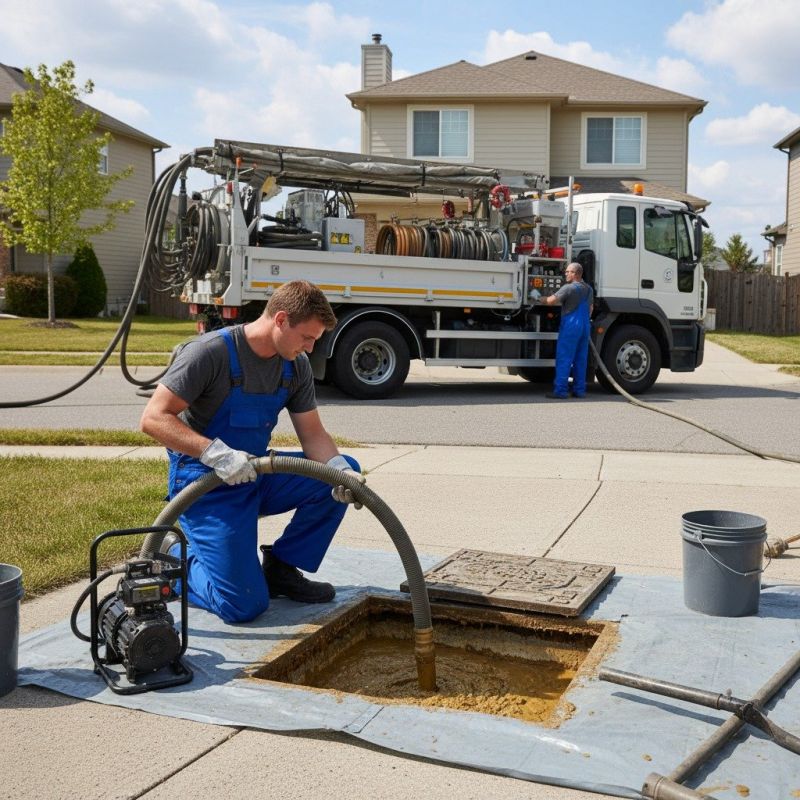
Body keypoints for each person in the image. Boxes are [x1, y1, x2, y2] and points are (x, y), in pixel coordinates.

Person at [140, 280, 364, 624]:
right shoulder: (210, 353)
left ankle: (281, 570)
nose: (310, 348)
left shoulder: (295, 365)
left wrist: (342, 473)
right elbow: (154, 418)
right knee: (242, 605)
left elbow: (313, 435)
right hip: (205, 485)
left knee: (337, 474)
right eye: (307, 337)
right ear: (281, 320)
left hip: (253, 474)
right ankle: (175, 558)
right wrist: (215, 454)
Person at [538, 262, 594, 399]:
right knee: (581, 359)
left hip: (571, 326)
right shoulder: (589, 289)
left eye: (568, 271)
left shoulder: (568, 288)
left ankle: (561, 391)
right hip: (585, 326)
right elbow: (591, 308)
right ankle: (579, 391)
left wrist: (537, 296)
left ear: (575, 274)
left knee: (564, 358)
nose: (566, 273)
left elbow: (551, 301)